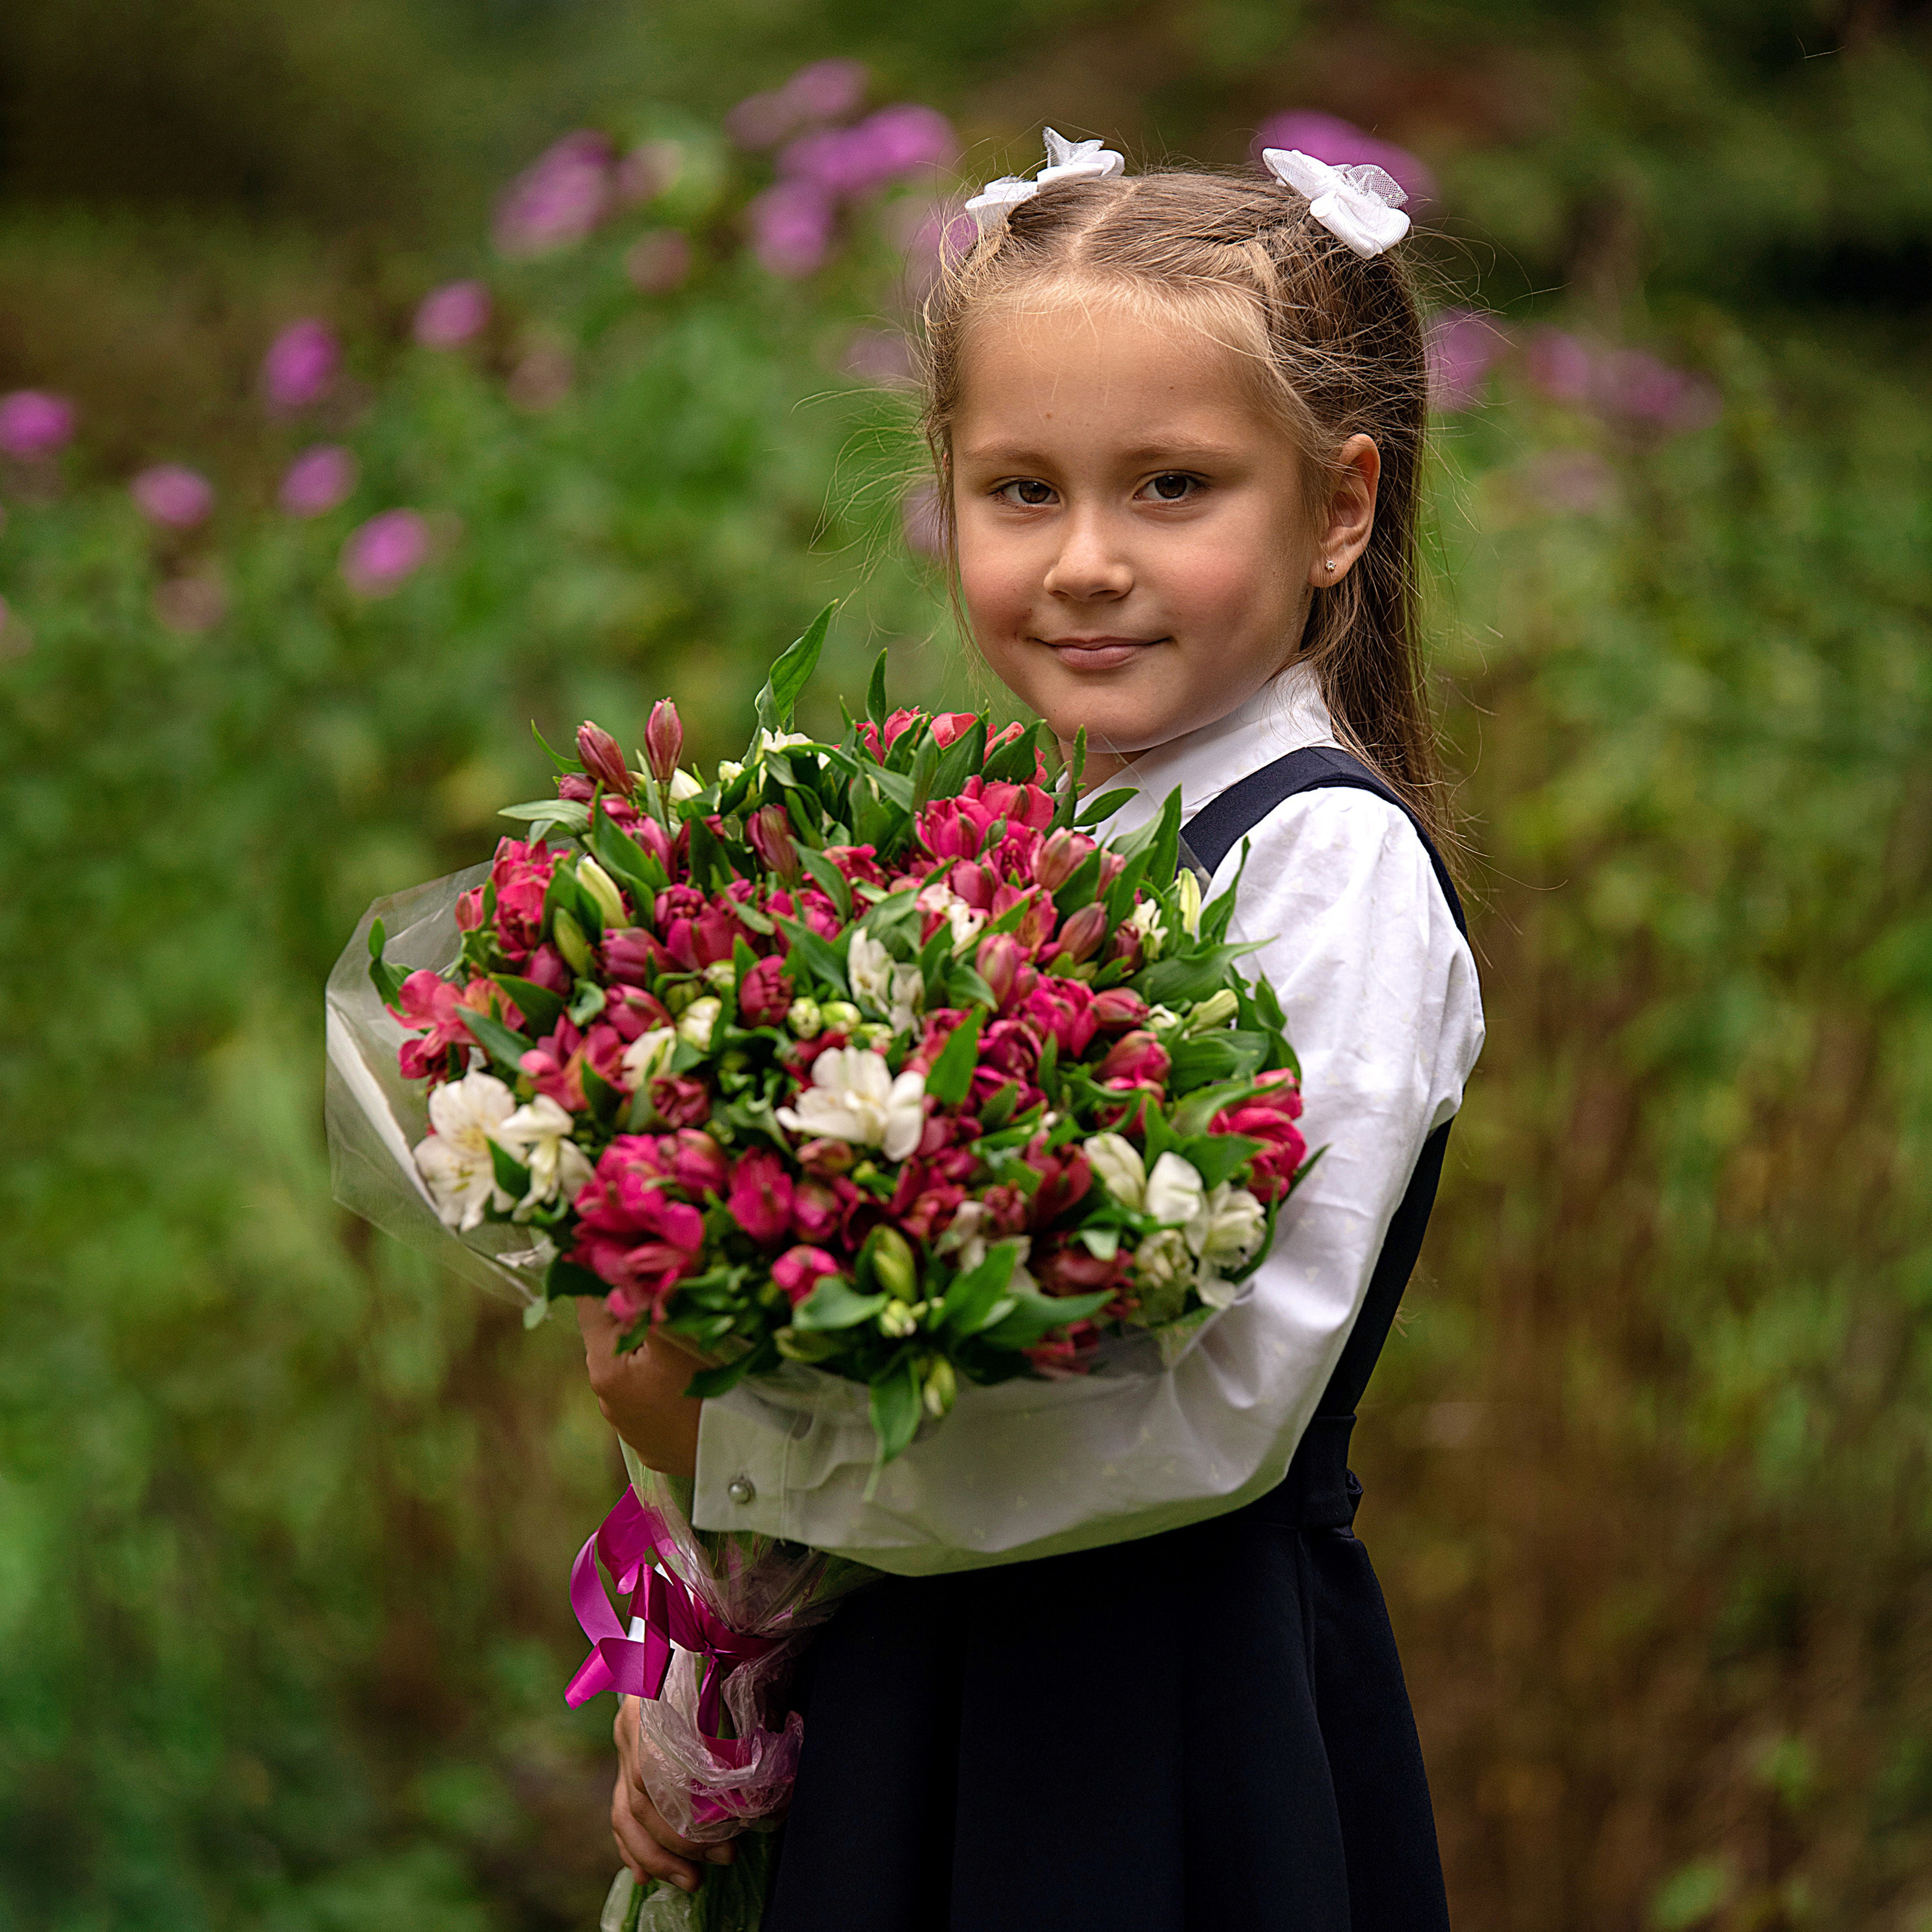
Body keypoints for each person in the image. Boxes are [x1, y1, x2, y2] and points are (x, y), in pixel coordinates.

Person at [577, 132, 1484, 1930]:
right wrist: (718, 1642)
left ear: (1335, 507)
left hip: (1157, 1717)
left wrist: (742, 1440)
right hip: (926, 1679)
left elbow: (1216, 1408)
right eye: (1018, 490)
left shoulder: (1328, 870)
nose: (1083, 562)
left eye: (1169, 485)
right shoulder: (999, 847)